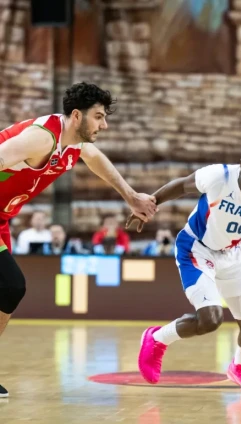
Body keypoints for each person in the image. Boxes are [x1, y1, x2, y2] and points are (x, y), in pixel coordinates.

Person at [0, 82, 157, 398]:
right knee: (11, 285)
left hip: (2, 219)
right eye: (98, 117)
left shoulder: (74, 143)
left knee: (7, 291)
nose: (104, 125)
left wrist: (131, 197)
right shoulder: (41, 138)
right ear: (76, 116)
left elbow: (95, 158)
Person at [127, 138, 241, 393]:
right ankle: (156, 339)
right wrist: (149, 204)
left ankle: (240, 367)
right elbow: (182, 186)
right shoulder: (219, 176)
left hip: (234, 255)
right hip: (197, 248)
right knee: (211, 319)